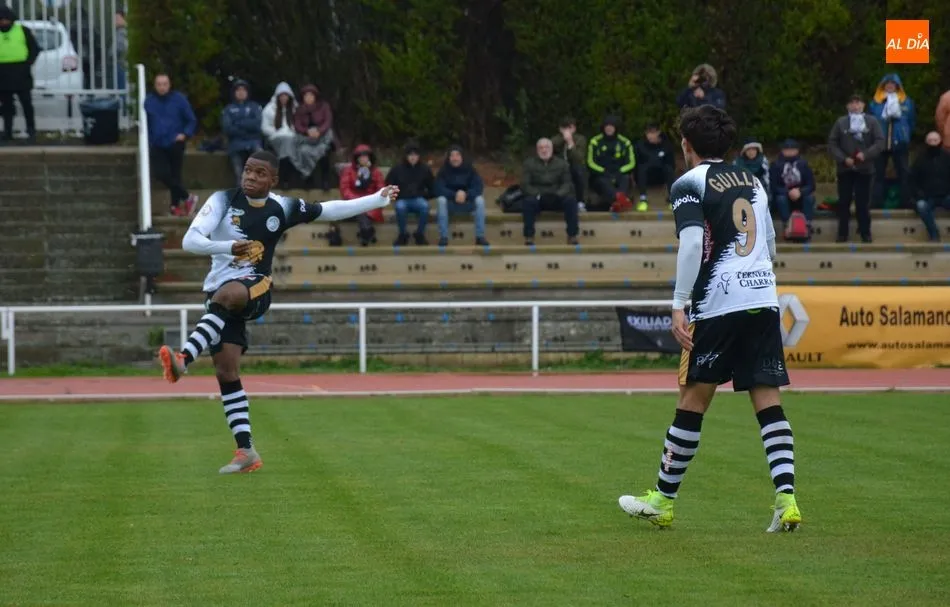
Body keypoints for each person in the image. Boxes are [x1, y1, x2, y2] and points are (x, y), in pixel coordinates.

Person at [619, 105, 802, 533]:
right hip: (763, 297)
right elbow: (770, 242)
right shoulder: (753, 180)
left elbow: (690, 245)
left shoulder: (689, 182)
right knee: (767, 398)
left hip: (719, 303)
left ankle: (662, 501)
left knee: (693, 400)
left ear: (687, 145)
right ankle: (787, 499)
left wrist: (678, 303)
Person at [157, 150, 399, 474]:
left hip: (255, 287)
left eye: (260, 173)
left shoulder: (283, 207)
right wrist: (228, 247)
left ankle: (184, 359)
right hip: (218, 296)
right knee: (226, 371)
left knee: (228, 296)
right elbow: (190, 241)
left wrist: (377, 199)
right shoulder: (222, 200)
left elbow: (329, 209)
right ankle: (246, 451)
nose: (250, 177)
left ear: (273, 180)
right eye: (247, 170)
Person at [828, 94, 885, 242]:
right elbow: (832, 144)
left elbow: (880, 142)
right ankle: (842, 234)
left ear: (863, 105)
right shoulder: (841, 122)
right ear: (847, 106)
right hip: (845, 170)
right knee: (844, 202)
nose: (855, 106)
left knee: (863, 203)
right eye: (852, 103)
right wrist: (843, 158)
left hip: (865, 169)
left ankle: (865, 233)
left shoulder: (872, 121)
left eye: (858, 103)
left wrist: (866, 154)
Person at [145, 74, 199, 216]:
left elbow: (191, 119)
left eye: (165, 84)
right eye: (159, 84)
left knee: (175, 175)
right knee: (161, 173)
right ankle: (187, 197)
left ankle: (175, 206)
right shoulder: (149, 101)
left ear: (169, 85)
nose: (162, 87)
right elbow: (146, 122)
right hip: (157, 143)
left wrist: (185, 134)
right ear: (155, 86)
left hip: (175, 142)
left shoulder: (179, 99)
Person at [521, 137, 579, 245]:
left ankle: (572, 236)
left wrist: (558, 194)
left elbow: (567, 183)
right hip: (538, 198)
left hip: (557, 196)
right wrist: (537, 194)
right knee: (528, 202)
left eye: (547, 147)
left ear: (552, 149)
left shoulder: (562, 164)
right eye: (541, 148)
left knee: (571, 201)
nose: (544, 150)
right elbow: (525, 185)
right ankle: (529, 236)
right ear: (537, 150)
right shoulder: (529, 164)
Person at [869, 74, 915, 208]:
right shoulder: (875, 103)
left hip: (899, 141)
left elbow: (911, 121)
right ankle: (875, 201)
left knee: (904, 172)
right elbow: (870, 122)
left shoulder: (906, 102)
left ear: (897, 86)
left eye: (893, 83)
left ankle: (906, 201)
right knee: (877, 173)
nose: (890, 86)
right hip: (880, 142)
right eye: (887, 83)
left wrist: (905, 135)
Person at [434, 145, 489, 247]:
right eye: (452, 155)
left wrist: (466, 194)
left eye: (457, 155)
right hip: (450, 203)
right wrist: (454, 194)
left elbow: (478, 187)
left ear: (462, 157)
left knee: (480, 200)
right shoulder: (443, 171)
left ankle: (480, 236)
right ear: (449, 158)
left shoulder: (470, 169)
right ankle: (443, 237)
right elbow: (438, 189)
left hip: (467, 202)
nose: (455, 158)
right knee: (441, 200)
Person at [0, 5, 40, 142]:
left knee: (26, 103)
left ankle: (31, 130)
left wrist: (28, 63)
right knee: (6, 106)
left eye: (5, 19)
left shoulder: (23, 30)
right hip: (3, 74)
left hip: (21, 73)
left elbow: (34, 49)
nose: (3, 22)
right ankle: (7, 132)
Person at [386, 140, 434, 246]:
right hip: (402, 199)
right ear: (406, 156)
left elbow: (432, 187)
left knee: (425, 206)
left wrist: (424, 195)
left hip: (418, 199)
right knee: (400, 207)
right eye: (410, 155)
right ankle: (403, 234)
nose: (413, 157)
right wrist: (397, 196)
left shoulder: (425, 169)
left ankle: (419, 234)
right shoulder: (397, 169)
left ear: (419, 156)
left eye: (415, 155)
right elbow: (388, 185)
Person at [336, 144, 386, 246]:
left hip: (372, 204)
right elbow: (345, 189)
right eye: (361, 156)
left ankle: (365, 233)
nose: (363, 159)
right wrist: (357, 201)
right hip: (353, 203)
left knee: (363, 210)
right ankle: (367, 232)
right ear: (357, 158)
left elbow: (381, 190)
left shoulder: (376, 172)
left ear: (370, 158)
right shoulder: (348, 171)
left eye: (366, 156)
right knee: (360, 209)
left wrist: (370, 201)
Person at [292, 84, 336, 190]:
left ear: (315, 96)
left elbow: (328, 121)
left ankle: (325, 180)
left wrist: (319, 131)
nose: (309, 98)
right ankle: (308, 179)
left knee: (324, 153)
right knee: (303, 152)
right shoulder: (299, 109)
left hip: (322, 137)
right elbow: (297, 124)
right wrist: (307, 131)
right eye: (306, 96)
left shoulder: (324, 106)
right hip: (306, 138)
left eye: (311, 95)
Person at [587, 115, 636, 212]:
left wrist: (620, 171)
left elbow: (632, 163)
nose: (609, 128)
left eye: (611, 126)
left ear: (616, 128)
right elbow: (590, 162)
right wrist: (603, 171)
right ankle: (620, 198)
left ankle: (617, 203)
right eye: (607, 126)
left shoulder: (625, 142)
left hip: (620, 173)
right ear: (603, 128)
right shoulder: (595, 141)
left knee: (626, 178)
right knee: (602, 181)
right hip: (601, 175)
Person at [221, 79, 263, 187]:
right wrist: (247, 127)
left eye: (243, 90)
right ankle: (240, 190)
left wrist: (238, 123)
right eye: (238, 90)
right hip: (235, 144)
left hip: (253, 142)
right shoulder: (228, 109)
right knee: (239, 172)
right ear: (234, 92)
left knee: (260, 156)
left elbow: (257, 125)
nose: (241, 92)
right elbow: (228, 128)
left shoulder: (255, 106)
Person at [910, 131, 950, 242]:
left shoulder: (947, 158)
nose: (933, 143)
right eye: (930, 141)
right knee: (921, 206)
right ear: (926, 142)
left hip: (946, 196)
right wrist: (919, 194)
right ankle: (934, 233)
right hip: (928, 197)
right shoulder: (920, 159)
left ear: (940, 141)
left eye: (935, 140)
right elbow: (912, 180)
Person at [769, 139, 816, 234]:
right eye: (787, 150)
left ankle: (807, 224)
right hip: (783, 195)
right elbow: (773, 186)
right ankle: (787, 225)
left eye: (792, 150)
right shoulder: (775, 165)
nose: (790, 152)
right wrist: (788, 192)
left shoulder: (803, 164)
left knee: (809, 198)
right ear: (782, 151)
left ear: (797, 150)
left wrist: (800, 191)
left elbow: (811, 185)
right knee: (781, 199)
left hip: (800, 195)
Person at [260, 82, 298, 188]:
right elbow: (264, 127)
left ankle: (287, 180)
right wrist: (277, 133)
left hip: (293, 138)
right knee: (286, 144)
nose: (284, 98)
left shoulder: (295, 108)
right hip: (275, 138)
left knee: (290, 144)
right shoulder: (269, 109)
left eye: (286, 95)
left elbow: (299, 125)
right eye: (281, 95)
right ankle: (285, 179)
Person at [634, 124, 677, 211]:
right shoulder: (640, 145)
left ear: (658, 132)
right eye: (648, 133)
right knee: (641, 168)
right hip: (646, 176)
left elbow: (671, 163)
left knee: (668, 169)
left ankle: (671, 198)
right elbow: (637, 164)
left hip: (661, 177)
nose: (651, 135)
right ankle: (643, 199)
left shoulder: (666, 145)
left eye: (653, 133)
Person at [551, 116, 588, 205]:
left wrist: (570, 143)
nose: (567, 130)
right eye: (565, 128)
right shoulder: (555, 139)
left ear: (574, 128)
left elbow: (578, 157)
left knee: (579, 171)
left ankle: (580, 202)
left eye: (570, 128)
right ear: (560, 129)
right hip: (559, 166)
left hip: (574, 166)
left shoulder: (580, 139)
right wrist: (563, 139)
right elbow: (550, 147)